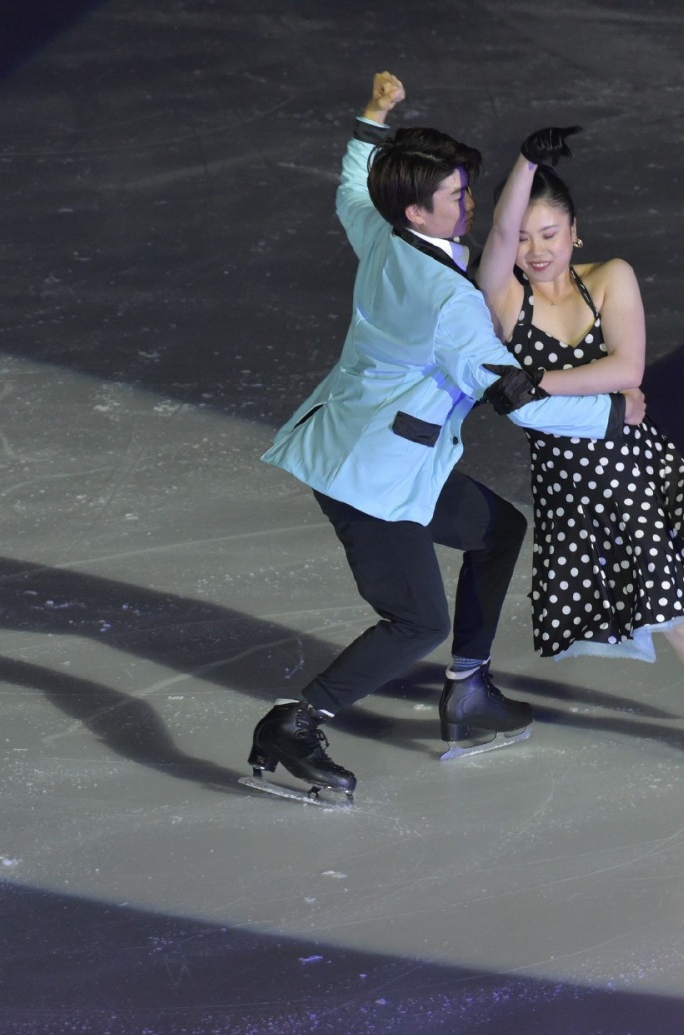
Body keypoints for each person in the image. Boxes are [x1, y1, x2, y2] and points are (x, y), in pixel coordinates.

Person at [248, 74, 644, 805]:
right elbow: (520, 402)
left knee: (498, 531)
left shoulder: (384, 233)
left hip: (389, 455)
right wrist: (614, 414)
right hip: (370, 478)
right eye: (459, 195)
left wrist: (372, 118)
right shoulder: (449, 304)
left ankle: (469, 690)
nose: (471, 204)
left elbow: (349, 190)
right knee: (415, 619)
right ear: (416, 209)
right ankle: (294, 723)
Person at [474, 128, 684, 776]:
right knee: (676, 617)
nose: (537, 249)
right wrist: (526, 161)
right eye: (527, 236)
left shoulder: (611, 278)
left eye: (551, 233)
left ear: (575, 233)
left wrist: (535, 382)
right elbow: (499, 244)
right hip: (580, 491)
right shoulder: (507, 300)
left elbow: (628, 367)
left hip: (645, 463)